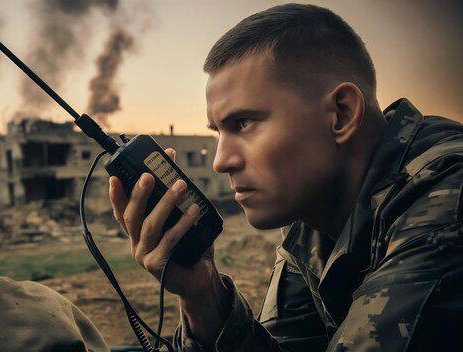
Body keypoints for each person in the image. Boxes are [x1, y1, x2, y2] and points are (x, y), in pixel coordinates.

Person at [108, 3, 462, 351]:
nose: (220, 162)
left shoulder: (448, 199)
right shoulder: (311, 217)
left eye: (243, 123)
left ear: (341, 113)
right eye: (218, 132)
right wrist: (202, 293)